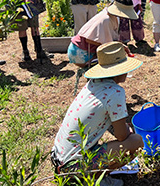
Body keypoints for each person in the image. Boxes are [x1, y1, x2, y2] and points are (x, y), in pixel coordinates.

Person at [51, 41, 144, 174]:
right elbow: (122, 136)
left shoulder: (92, 84)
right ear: (119, 70)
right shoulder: (115, 92)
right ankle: (97, 179)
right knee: (136, 141)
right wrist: (129, 130)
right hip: (74, 166)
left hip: (60, 158)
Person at [67, 0, 138, 68]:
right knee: (112, 61)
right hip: (80, 51)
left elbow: (107, 39)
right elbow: (90, 40)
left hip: (85, 49)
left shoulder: (112, 16)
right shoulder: (106, 19)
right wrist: (114, 46)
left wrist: (119, 45)